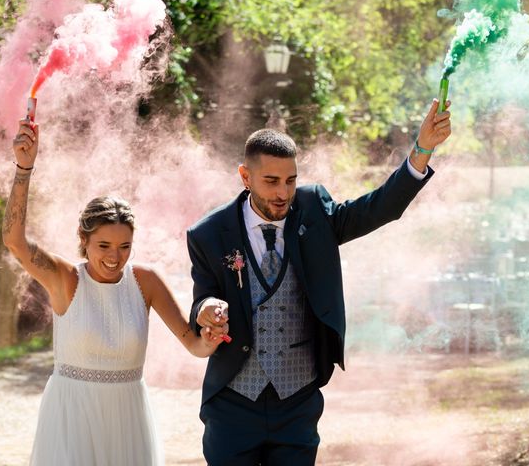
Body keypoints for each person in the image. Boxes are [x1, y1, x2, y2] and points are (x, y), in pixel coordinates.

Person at [187, 98, 451, 465]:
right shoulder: (208, 233)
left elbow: (379, 208)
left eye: (291, 180)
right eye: (272, 181)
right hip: (233, 404)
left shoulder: (312, 209)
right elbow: (203, 297)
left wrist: (422, 150)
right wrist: (207, 309)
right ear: (245, 177)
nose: (283, 193)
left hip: (297, 403)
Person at [2, 118, 221, 466]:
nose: (114, 257)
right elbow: (14, 240)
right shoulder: (65, 279)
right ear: (83, 239)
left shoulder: (146, 282)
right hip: (71, 418)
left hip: (128, 419)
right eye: (103, 244)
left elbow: (194, 344)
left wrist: (210, 337)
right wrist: (24, 168)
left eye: (124, 246)